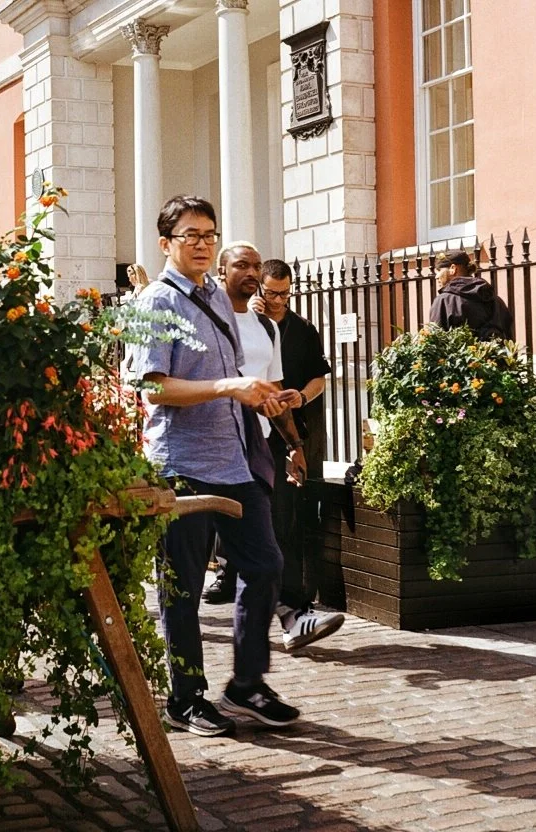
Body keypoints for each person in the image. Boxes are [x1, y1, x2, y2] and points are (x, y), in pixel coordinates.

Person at [133, 195, 300, 737]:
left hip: (234, 459)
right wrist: (229, 386)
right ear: (166, 244)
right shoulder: (156, 303)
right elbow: (151, 388)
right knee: (180, 586)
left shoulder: (217, 298)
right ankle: (185, 699)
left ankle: (246, 683)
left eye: (209, 233)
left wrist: (265, 398)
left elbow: (227, 381)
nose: (203, 243)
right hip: (181, 464)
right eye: (190, 235)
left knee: (265, 564)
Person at [209, 253, 344, 650]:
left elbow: (279, 388)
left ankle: (292, 614)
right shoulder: (215, 321)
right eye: (243, 268)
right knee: (204, 542)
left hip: (261, 442)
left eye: (284, 293)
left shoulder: (275, 330)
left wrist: (294, 445)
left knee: (275, 531)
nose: (277, 298)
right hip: (212, 444)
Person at [428, 250, 513, 340]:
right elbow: (508, 339)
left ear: (453, 268)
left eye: (439, 270)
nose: (436, 276)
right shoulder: (496, 300)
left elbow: (435, 341)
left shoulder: (444, 301)